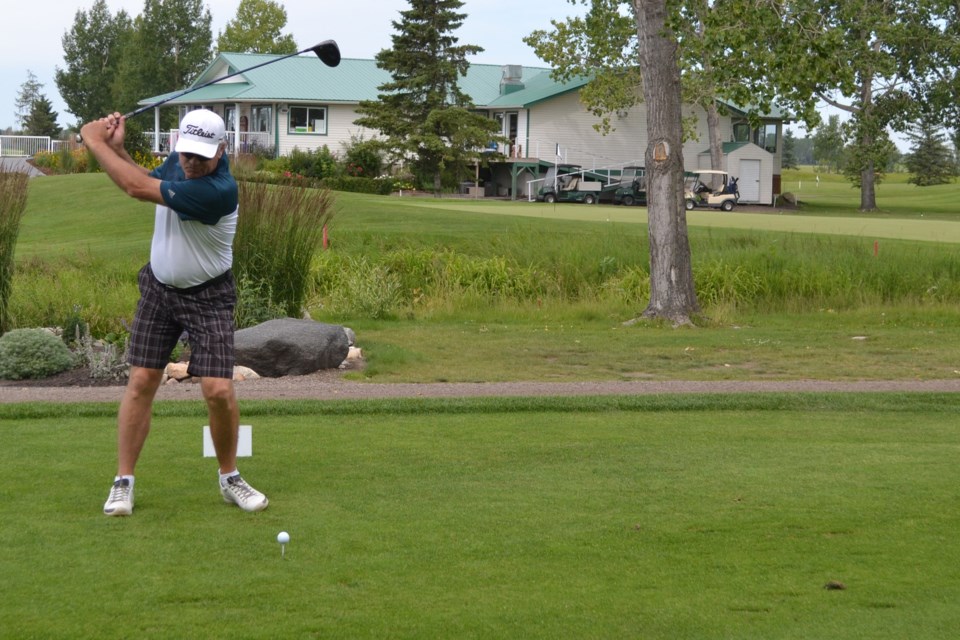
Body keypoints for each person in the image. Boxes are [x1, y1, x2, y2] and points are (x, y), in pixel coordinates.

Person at [79, 109, 268, 516]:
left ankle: (229, 476)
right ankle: (123, 482)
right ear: (176, 145)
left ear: (222, 150)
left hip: (209, 296)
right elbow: (149, 181)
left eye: (202, 156)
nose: (192, 163)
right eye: (186, 154)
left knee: (217, 390)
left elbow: (135, 189)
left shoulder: (218, 190)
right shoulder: (180, 161)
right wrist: (119, 149)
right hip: (159, 288)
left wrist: (94, 142)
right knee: (142, 380)